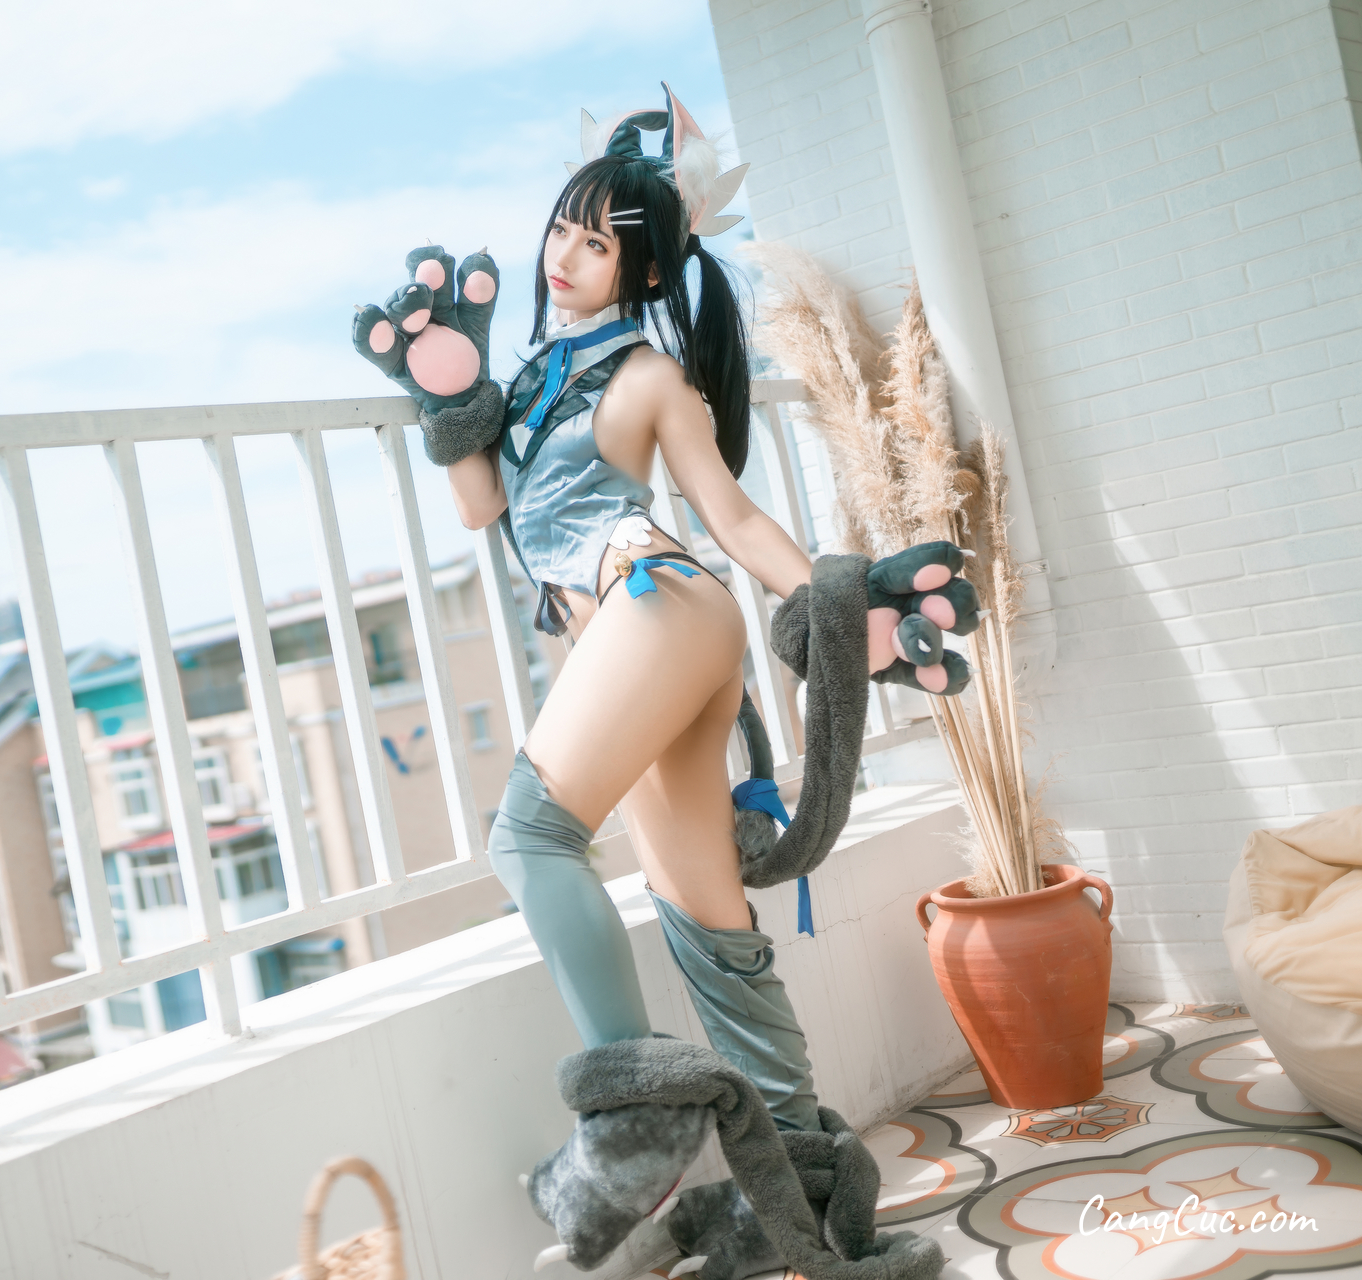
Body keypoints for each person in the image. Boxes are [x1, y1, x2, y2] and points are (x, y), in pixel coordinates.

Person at [352, 84, 964, 1280]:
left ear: (640, 271)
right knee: (708, 930)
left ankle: (635, 1118)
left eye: (597, 243)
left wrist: (832, 592)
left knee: (529, 836)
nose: (565, 255)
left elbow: (729, 515)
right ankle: (802, 1190)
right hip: (647, 647)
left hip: (654, 602)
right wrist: (449, 397)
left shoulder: (646, 377)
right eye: (562, 229)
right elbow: (480, 508)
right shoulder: (531, 379)